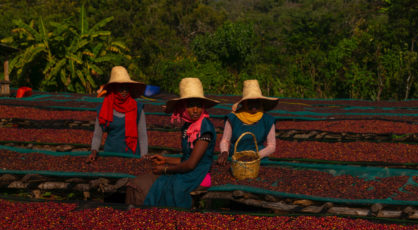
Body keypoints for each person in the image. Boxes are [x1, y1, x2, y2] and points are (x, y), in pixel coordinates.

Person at [125, 77, 218, 208]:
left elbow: (191, 164)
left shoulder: (205, 128)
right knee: (140, 183)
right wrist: (165, 160)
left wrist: (165, 169)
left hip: (197, 174)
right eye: (191, 105)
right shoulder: (188, 126)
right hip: (188, 170)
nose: (196, 110)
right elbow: (187, 158)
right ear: (184, 107)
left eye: (199, 105)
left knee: (170, 188)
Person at [87, 66, 148, 162]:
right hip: (111, 154)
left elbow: (143, 135)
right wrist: (94, 151)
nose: (124, 91)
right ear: (114, 88)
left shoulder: (137, 108)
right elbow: (97, 135)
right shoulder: (104, 108)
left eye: (126, 88)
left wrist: (144, 155)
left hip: (132, 156)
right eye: (121, 88)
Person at [215, 79, 278, 167]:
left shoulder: (267, 119)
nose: (254, 104)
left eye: (256, 101)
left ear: (261, 101)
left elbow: (271, 146)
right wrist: (224, 152)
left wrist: (255, 156)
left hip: (259, 162)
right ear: (244, 102)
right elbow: (225, 140)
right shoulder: (233, 118)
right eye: (250, 101)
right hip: (235, 161)